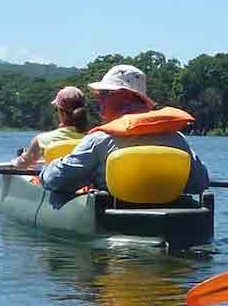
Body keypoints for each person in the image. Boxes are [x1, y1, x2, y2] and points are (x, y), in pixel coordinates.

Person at [38, 64, 209, 206]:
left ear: (126, 96)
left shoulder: (100, 140)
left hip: (115, 218)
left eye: (104, 93)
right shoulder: (177, 139)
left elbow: (56, 180)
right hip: (173, 222)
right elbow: (199, 182)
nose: (98, 99)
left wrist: (46, 170)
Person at [13, 86, 91, 167]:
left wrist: (17, 160)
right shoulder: (93, 139)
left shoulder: (42, 140)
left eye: (56, 109)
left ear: (62, 113)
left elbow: (23, 164)